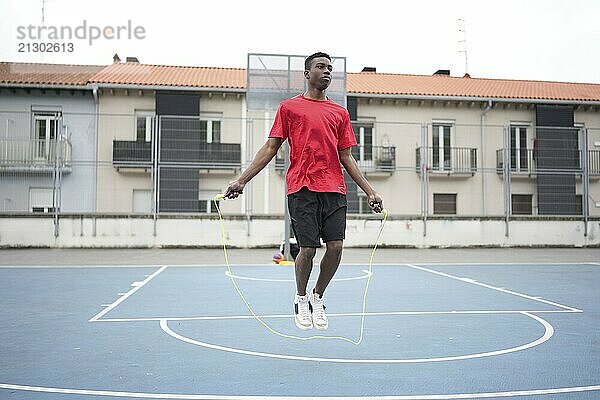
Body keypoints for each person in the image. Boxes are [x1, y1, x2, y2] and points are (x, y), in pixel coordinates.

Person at [224, 52, 383, 330]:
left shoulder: (339, 113)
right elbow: (270, 148)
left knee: (335, 247)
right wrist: (242, 180)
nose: (326, 72)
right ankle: (300, 298)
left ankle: (317, 297)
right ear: (307, 74)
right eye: (320, 67)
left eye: (330, 68)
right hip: (302, 188)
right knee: (307, 249)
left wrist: (370, 191)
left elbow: (347, 157)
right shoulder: (290, 108)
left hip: (334, 188)